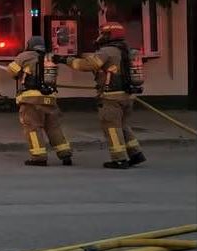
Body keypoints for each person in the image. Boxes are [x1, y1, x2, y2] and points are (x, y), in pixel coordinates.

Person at [57, 22, 146, 170]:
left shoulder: (107, 51)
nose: (99, 37)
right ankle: (136, 154)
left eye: (102, 34)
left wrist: (65, 60)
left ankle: (119, 159)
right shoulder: (127, 50)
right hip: (127, 96)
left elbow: (87, 65)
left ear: (108, 35)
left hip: (111, 97)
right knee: (122, 125)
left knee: (111, 127)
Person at [7, 36, 73, 167]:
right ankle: (65, 154)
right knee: (54, 127)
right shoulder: (50, 57)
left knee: (33, 127)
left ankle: (39, 157)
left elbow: (11, 71)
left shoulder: (24, 55)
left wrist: (20, 72)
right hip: (50, 98)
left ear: (29, 45)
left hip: (31, 99)